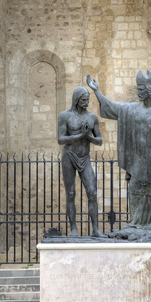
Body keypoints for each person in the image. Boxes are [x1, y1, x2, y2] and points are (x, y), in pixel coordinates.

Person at [87, 70, 151, 233]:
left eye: (141, 90)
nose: (138, 93)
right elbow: (112, 107)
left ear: (149, 91)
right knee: (135, 190)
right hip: (138, 163)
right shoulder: (132, 110)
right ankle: (136, 223)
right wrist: (97, 91)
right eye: (138, 89)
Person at [58, 86, 105, 237]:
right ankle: (73, 229)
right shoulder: (65, 116)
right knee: (71, 193)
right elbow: (60, 139)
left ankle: (96, 230)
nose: (86, 102)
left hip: (85, 158)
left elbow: (99, 140)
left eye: (87, 100)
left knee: (92, 193)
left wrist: (88, 137)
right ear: (76, 100)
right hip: (69, 156)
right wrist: (80, 136)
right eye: (83, 100)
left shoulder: (92, 118)